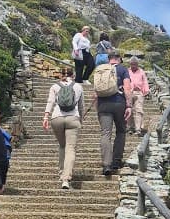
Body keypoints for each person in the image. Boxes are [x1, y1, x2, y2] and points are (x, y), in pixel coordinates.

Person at [43, 61, 85, 189]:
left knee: (62, 145)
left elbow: (50, 102)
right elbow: (81, 106)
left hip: (57, 118)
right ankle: (66, 179)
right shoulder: (78, 87)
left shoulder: (55, 86)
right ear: (73, 75)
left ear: (61, 74)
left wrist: (46, 117)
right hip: (73, 118)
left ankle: (62, 173)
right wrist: (81, 119)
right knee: (70, 148)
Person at [93, 50, 131, 177]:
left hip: (103, 104)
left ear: (108, 59)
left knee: (105, 133)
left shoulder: (100, 69)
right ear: (119, 58)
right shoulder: (123, 69)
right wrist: (129, 105)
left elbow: (95, 92)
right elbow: (127, 88)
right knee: (121, 131)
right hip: (119, 103)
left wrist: (97, 107)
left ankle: (106, 165)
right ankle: (116, 161)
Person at [126, 56, 150, 134]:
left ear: (137, 64)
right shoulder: (127, 71)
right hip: (129, 92)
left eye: (135, 64)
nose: (133, 66)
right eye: (132, 64)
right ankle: (130, 127)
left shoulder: (141, 71)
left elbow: (145, 81)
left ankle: (138, 128)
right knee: (129, 110)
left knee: (139, 110)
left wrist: (146, 91)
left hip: (138, 92)